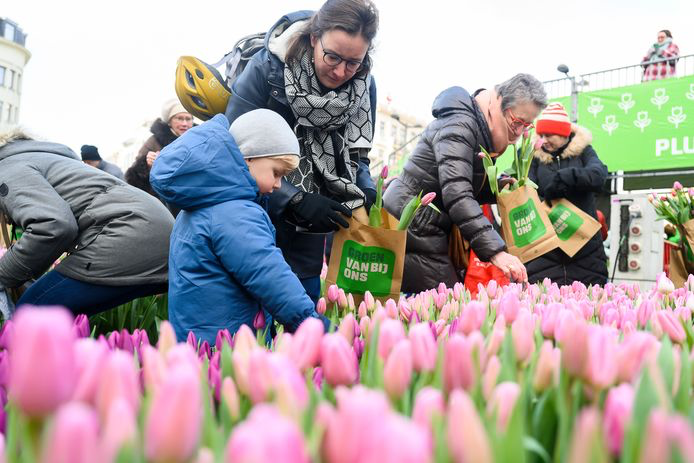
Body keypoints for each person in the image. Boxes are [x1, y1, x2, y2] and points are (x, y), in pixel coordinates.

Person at [223, 0, 380, 303]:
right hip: (257, 217)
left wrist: (365, 187)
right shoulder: (267, 70)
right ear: (313, 38)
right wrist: (292, 199)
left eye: (353, 62)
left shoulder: (363, 86)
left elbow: (357, 154)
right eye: (332, 56)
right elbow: (232, 151)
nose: (340, 71)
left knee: (301, 316)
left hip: (311, 233)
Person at [150, 109, 330, 344]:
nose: (278, 185)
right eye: (276, 173)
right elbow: (268, 275)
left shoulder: (202, 201)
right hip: (229, 347)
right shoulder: (234, 212)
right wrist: (313, 325)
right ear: (248, 158)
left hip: (199, 341)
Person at [383, 74, 547, 294]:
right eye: (517, 122)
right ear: (499, 102)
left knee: (432, 308)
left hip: (427, 225)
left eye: (527, 125)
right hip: (414, 223)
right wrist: (496, 252)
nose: (518, 133)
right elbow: (457, 192)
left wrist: (497, 187)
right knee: (442, 307)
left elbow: (460, 181)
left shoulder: (481, 129)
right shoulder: (460, 124)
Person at [0, 130, 173, 315]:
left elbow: (53, 225)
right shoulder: (45, 157)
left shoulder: (9, 168)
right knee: (60, 319)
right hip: (158, 230)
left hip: (128, 231)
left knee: (31, 314)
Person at [526, 103, 608, 286]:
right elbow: (526, 189)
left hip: (584, 247)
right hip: (545, 249)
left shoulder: (584, 151)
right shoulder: (533, 156)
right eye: (541, 135)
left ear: (564, 134)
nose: (544, 140)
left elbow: (598, 175)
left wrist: (566, 178)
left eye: (549, 134)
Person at [125, 99, 193, 216]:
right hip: (164, 207)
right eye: (179, 118)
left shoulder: (199, 139)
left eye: (188, 119)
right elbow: (133, 179)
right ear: (169, 121)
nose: (184, 124)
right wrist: (147, 165)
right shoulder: (154, 141)